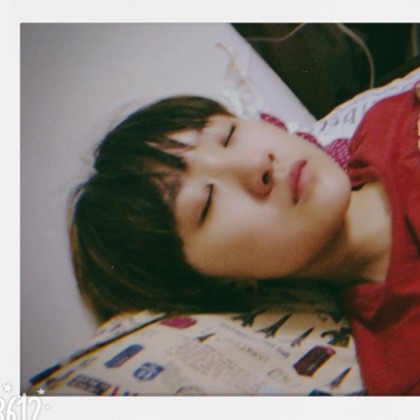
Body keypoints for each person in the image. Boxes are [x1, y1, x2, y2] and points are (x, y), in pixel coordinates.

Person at [70, 84, 420, 395]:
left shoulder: (385, 121)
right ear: (222, 283)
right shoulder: (400, 361)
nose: (257, 162)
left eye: (227, 135)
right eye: (207, 202)